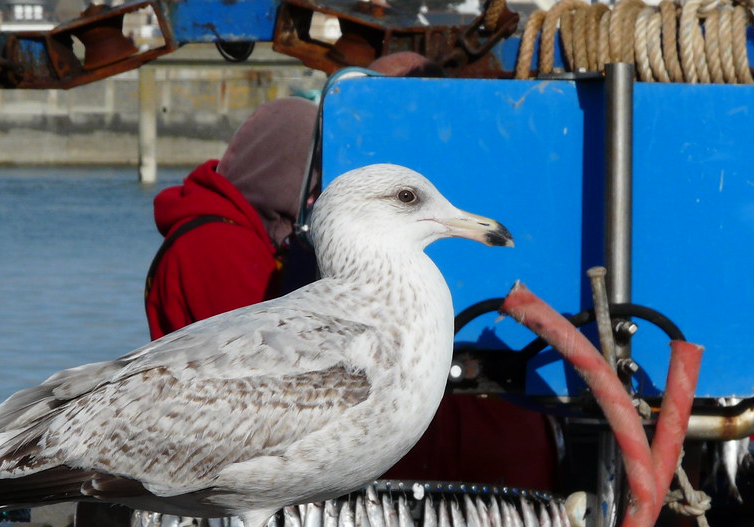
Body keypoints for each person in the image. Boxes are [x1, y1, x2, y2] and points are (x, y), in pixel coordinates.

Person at [146, 56, 557, 492]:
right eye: (310, 174)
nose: (314, 193)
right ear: (280, 166)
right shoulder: (216, 245)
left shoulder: (249, 237)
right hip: (203, 460)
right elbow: (256, 374)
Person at [146, 96, 319, 338]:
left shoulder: (226, 225)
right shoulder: (220, 243)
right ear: (280, 170)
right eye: (312, 179)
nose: (314, 198)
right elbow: (261, 346)